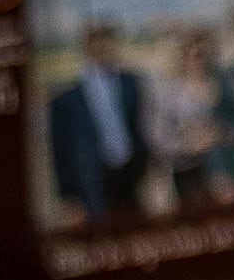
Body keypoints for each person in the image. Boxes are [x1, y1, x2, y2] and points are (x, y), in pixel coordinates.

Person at [43, 23, 152, 226]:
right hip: (93, 176)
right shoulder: (69, 96)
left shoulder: (129, 82)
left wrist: (144, 164)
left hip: (129, 173)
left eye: (107, 45)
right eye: (98, 45)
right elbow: (60, 148)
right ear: (87, 48)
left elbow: (138, 125)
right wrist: (67, 196)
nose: (104, 50)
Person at [149, 27, 234, 207]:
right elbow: (157, 136)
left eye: (204, 54)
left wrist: (218, 134)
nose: (199, 61)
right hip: (188, 172)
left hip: (226, 167)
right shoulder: (169, 93)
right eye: (193, 55)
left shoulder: (223, 84)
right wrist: (188, 145)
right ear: (183, 56)